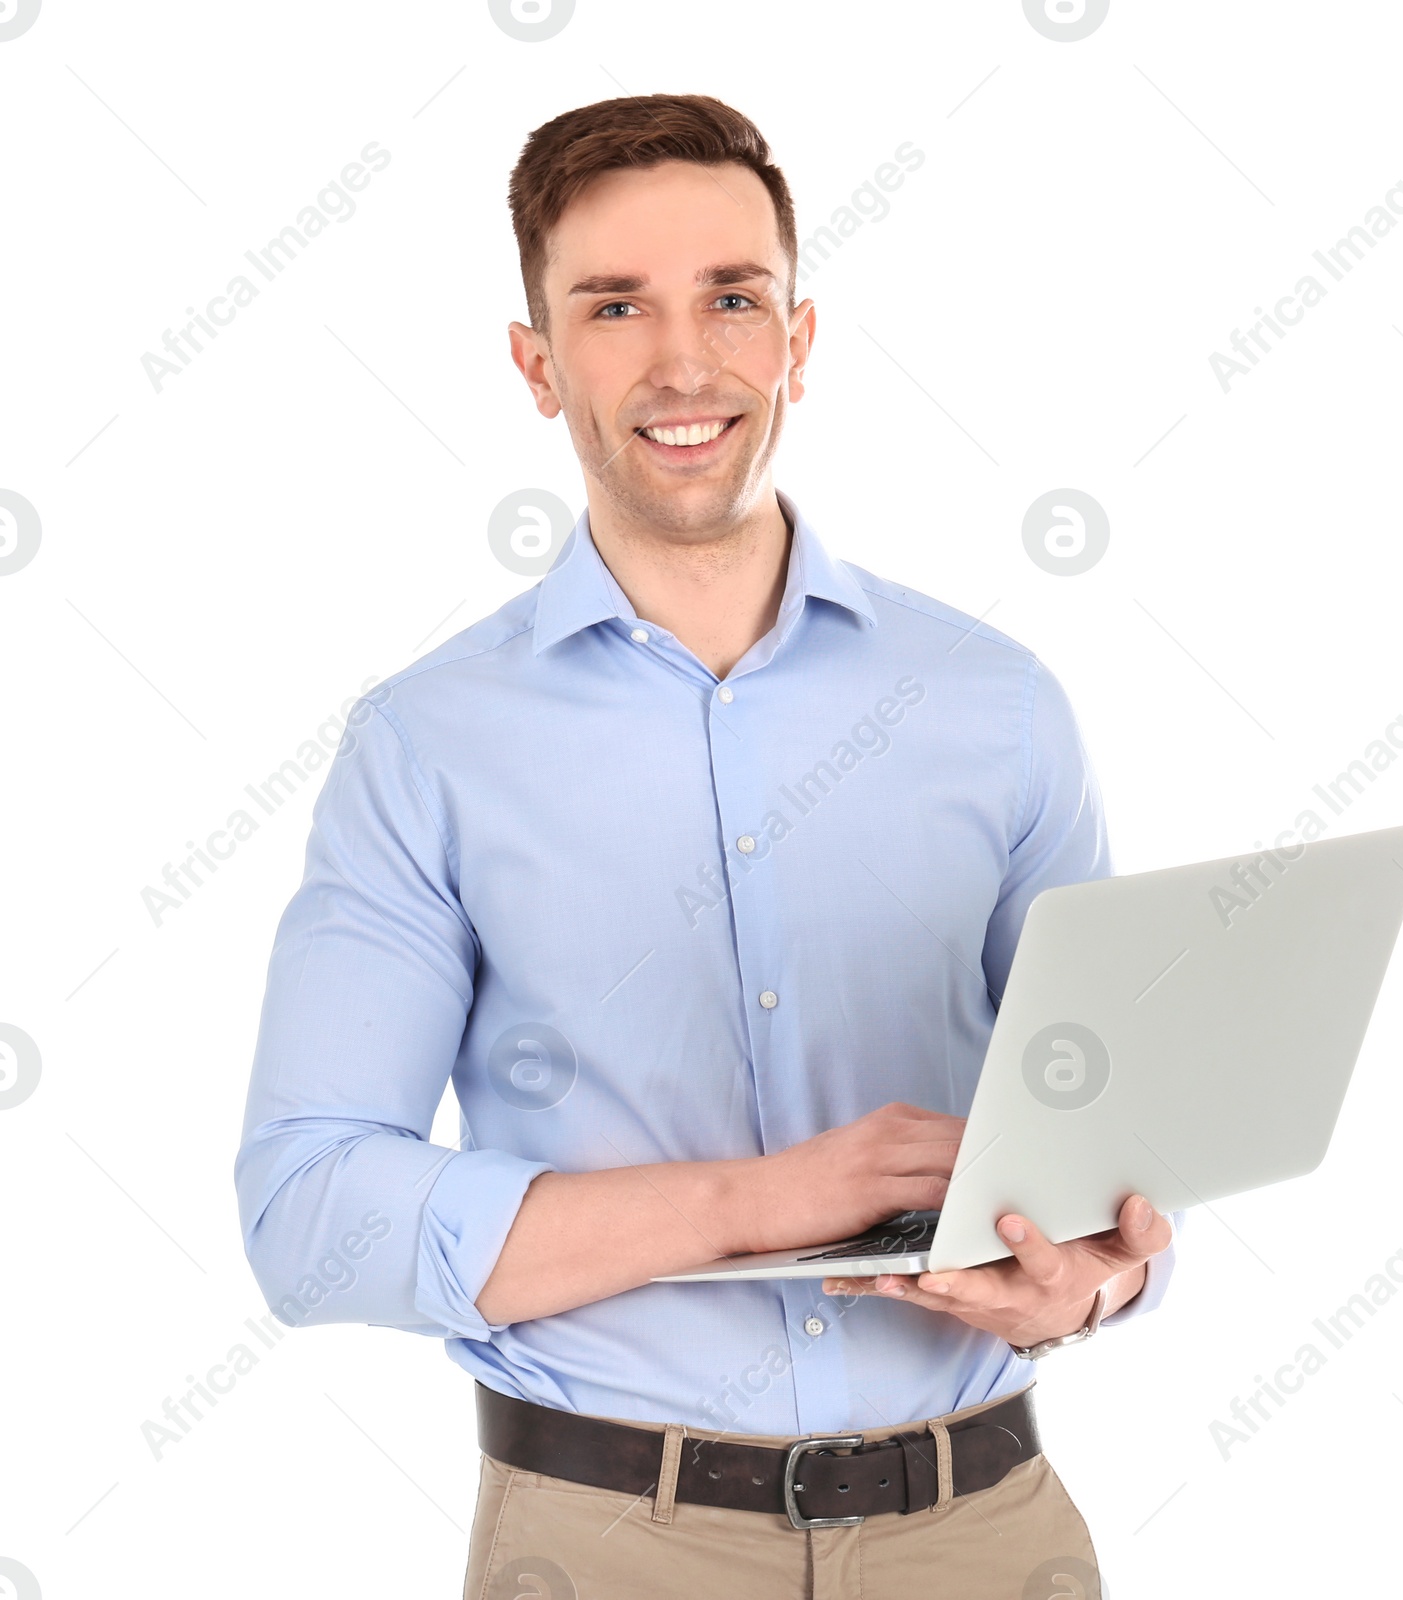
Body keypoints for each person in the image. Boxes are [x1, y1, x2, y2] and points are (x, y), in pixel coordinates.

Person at [234, 92, 1179, 1600]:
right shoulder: (427, 747)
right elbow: (308, 1218)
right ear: (538, 364)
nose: (685, 363)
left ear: (798, 339)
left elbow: (1107, 1135)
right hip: (607, 1546)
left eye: (733, 299)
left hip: (991, 1536)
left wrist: (1097, 1275)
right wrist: (762, 1198)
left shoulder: (995, 706)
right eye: (615, 307)